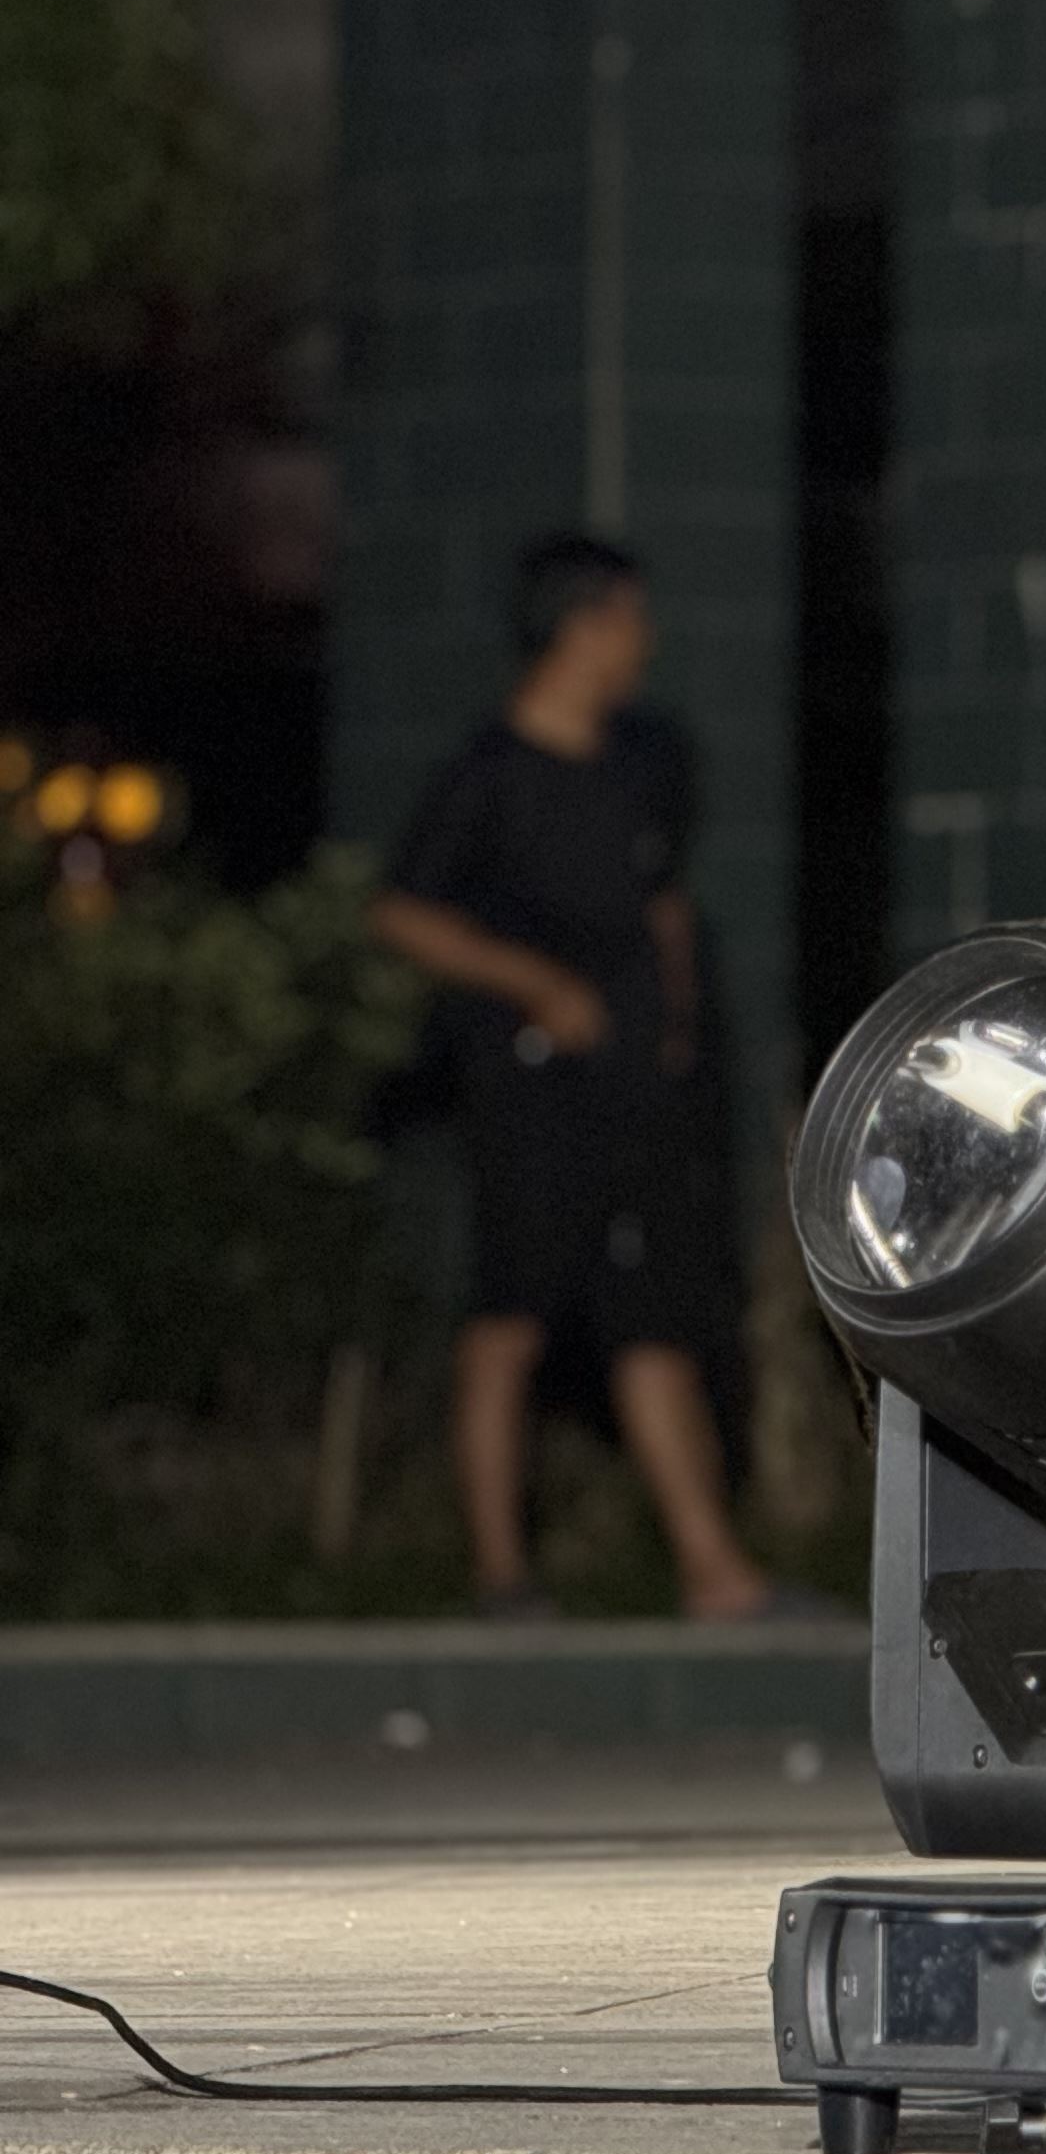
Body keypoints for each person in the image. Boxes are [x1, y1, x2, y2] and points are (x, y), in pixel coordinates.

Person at [370, 536, 791, 1622]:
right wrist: (536, 984)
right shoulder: (489, 772)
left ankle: (715, 1570)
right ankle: (500, 1577)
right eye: (630, 618)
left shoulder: (647, 759)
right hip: (529, 1085)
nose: (644, 641)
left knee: (654, 1319)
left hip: (636, 1084)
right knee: (511, 1317)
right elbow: (404, 912)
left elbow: (661, 901)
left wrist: (677, 1019)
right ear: (582, 627)